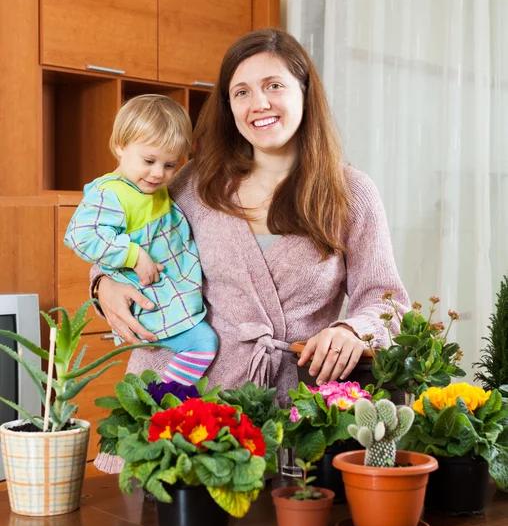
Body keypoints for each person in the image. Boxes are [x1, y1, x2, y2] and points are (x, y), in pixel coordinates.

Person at [90, 28, 410, 401]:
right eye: (242, 92)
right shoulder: (193, 181)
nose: (259, 103)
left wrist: (351, 330)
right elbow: (118, 231)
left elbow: (385, 300)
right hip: (181, 392)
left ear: (304, 91)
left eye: (274, 85)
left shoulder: (351, 194)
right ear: (230, 106)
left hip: (292, 404)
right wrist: (102, 284)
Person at [65, 94, 218, 386]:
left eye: (170, 165)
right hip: (155, 303)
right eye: (149, 160)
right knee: (202, 344)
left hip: (175, 298)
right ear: (120, 146)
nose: (159, 173)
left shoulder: (149, 188)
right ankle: (163, 399)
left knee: (203, 343)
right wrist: (133, 255)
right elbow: (81, 235)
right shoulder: (112, 194)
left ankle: (165, 399)